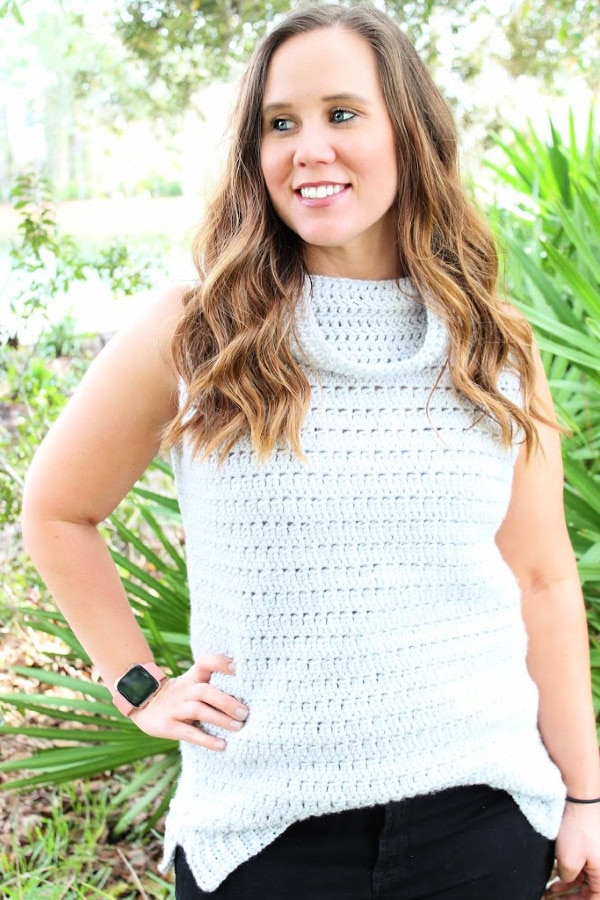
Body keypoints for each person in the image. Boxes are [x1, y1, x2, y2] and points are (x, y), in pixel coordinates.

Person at [21, 4, 600, 899]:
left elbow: (543, 581)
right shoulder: (196, 330)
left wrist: (585, 797)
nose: (309, 148)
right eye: (279, 124)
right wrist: (139, 686)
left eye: (342, 113)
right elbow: (58, 511)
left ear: (408, 131)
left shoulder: (494, 344)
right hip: (264, 838)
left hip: (483, 822)